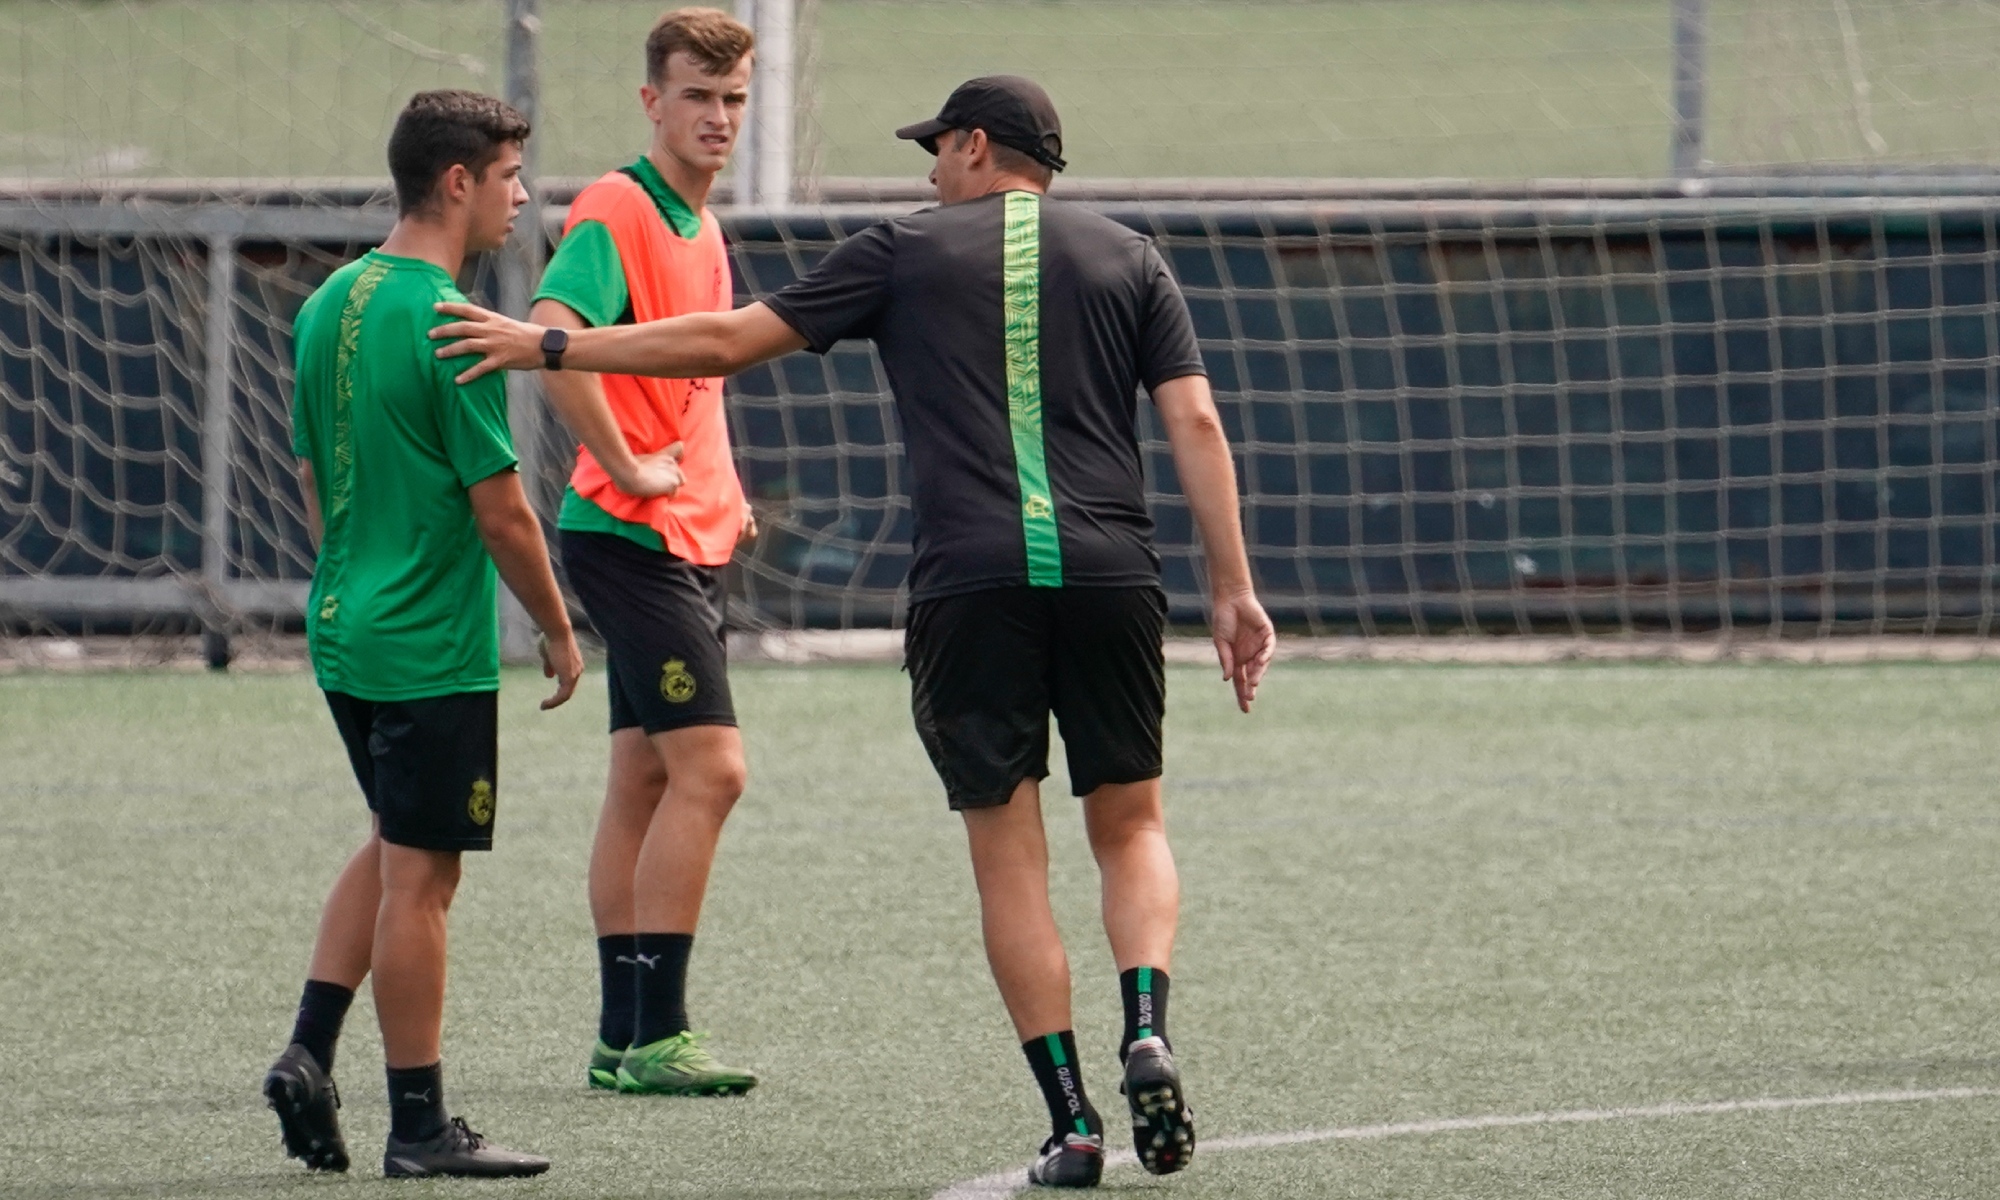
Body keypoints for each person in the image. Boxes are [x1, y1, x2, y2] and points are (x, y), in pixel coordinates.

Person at [428, 75, 1276, 1189]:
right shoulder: (1130, 255)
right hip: (1112, 574)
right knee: (1128, 826)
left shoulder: (901, 250)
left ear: (978, 148)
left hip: (969, 585)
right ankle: (1147, 1026)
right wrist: (1233, 587)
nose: (928, 170)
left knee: (1007, 857)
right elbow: (1195, 421)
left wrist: (549, 351)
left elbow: (727, 342)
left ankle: (1070, 1123)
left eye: (938, 149)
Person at [262, 89, 581, 1180]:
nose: (522, 196)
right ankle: (417, 1127)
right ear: (458, 182)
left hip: (344, 628)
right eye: (510, 176)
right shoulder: (449, 320)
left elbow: (309, 474)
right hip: (425, 650)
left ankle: (308, 1052)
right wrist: (557, 628)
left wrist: (356, 570)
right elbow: (503, 510)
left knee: (395, 843)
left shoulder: (328, 302)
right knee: (424, 881)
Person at [527, 6, 761, 1097]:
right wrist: (623, 463)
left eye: (733, 100)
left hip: (681, 531)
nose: (717, 118)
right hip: (625, 537)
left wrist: (722, 489)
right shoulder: (617, 205)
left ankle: (621, 1040)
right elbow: (551, 335)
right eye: (698, 97)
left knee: (641, 777)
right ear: (650, 100)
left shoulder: (701, 227)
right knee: (711, 772)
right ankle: (659, 1032)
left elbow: (693, 377)